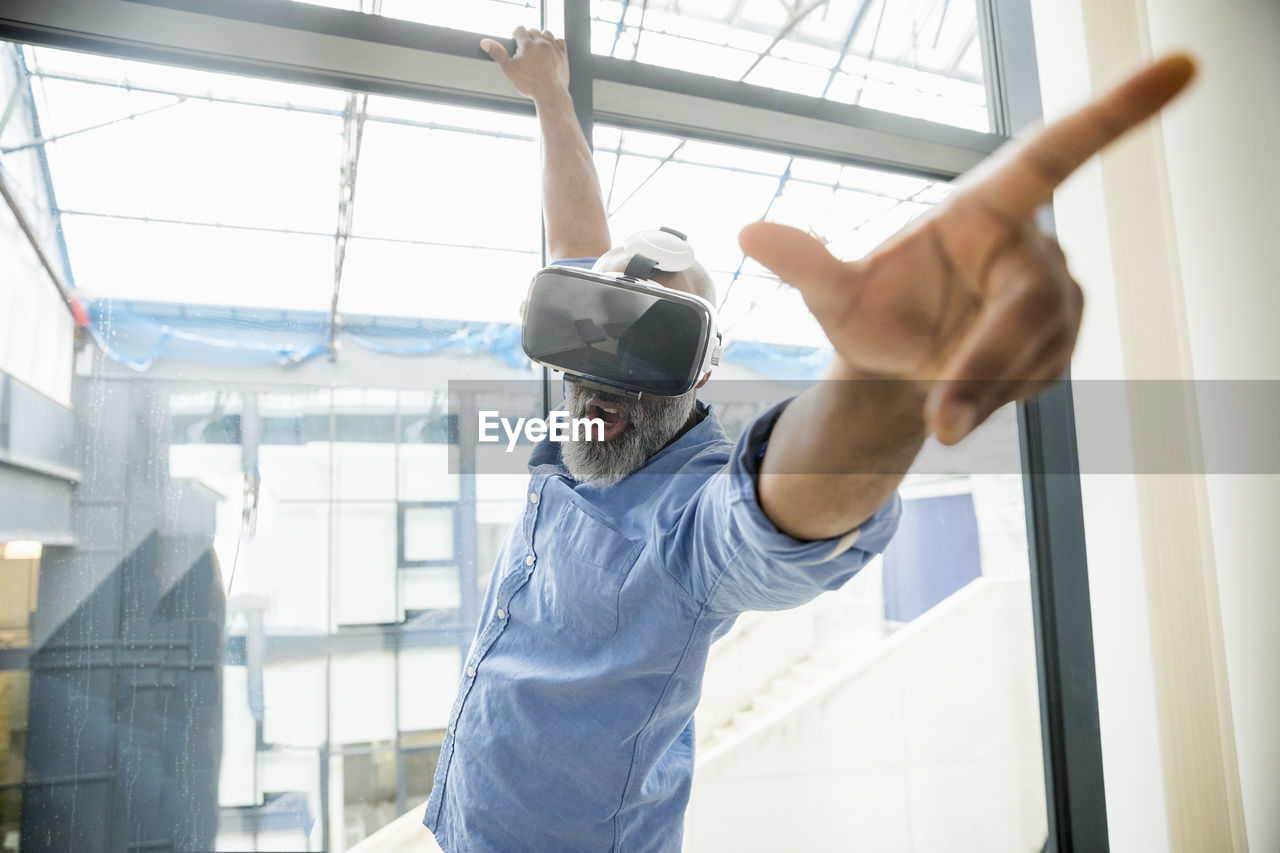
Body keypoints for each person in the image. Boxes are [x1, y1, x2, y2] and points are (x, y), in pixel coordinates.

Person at [420, 27, 1195, 851]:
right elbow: (581, 240)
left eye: (656, 344)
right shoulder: (582, 416)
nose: (609, 368)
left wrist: (883, 387)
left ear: (703, 372)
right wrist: (552, 98)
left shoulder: (686, 518)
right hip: (459, 819)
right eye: (599, 326)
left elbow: (770, 521)